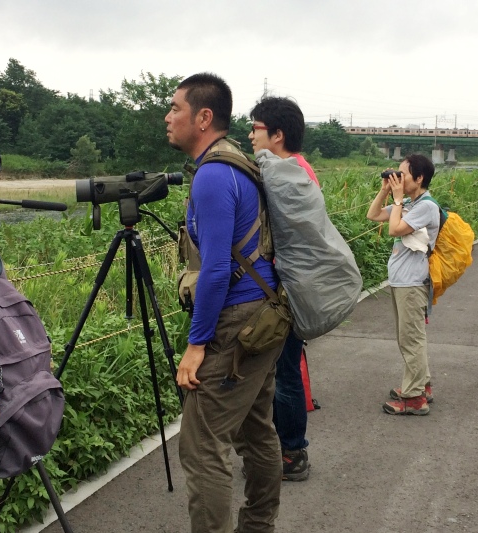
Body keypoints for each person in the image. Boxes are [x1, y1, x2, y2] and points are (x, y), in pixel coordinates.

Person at [167, 73, 283, 533]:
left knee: (202, 445)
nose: (168, 117)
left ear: (203, 117)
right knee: (256, 431)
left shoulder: (213, 175)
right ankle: (258, 525)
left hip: (236, 324)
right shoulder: (237, 162)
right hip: (266, 318)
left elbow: (215, 270)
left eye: (176, 108)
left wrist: (197, 344)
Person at [248, 96, 319, 482]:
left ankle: (292, 452)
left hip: (288, 289)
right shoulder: (298, 169)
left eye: (255, 128)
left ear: (276, 134)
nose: (250, 135)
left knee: (285, 373)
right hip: (295, 286)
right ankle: (286, 448)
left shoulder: (289, 173)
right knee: (285, 370)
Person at [366, 154, 440, 415]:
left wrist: (397, 200)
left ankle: (414, 397)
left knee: (411, 339)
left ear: (419, 178)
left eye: (402, 174)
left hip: (412, 283)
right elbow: (373, 214)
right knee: (409, 338)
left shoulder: (426, 206)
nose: (397, 178)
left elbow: (395, 229)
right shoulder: (409, 202)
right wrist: (385, 191)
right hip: (402, 281)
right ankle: (422, 385)